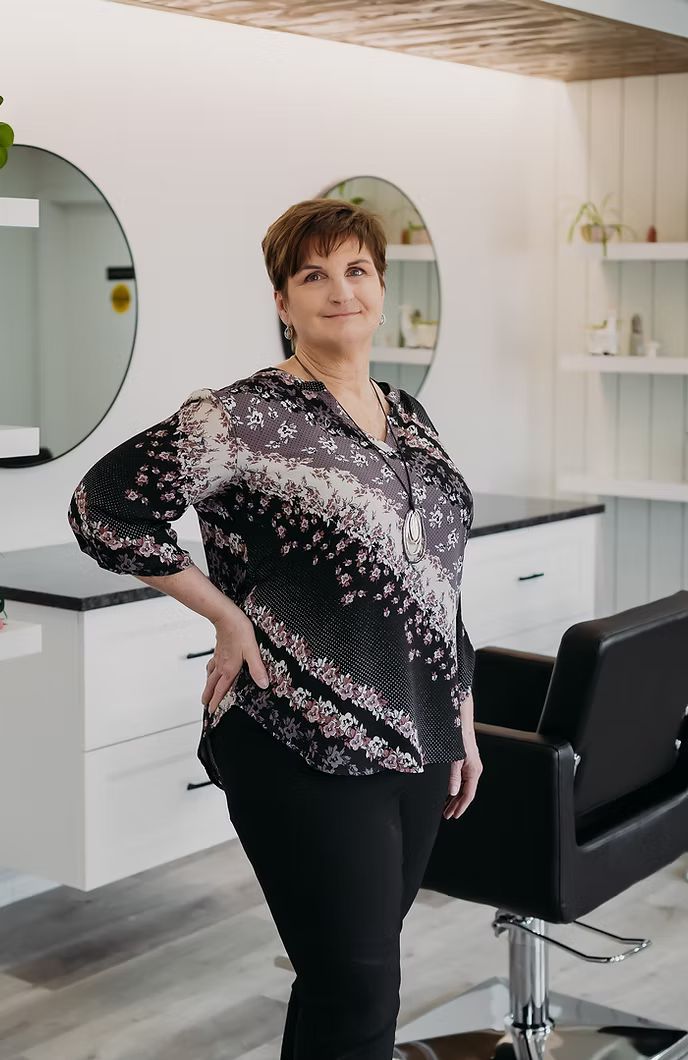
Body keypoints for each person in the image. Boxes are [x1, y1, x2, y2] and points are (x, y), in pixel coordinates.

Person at [67, 196, 483, 1059]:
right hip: (295, 734)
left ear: (381, 286)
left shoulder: (409, 417)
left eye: (357, 270)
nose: (341, 290)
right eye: (313, 274)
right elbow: (103, 509)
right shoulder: (241, 418)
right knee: (355, 983)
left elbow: (436, 579)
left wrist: (462, 717)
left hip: (416, 736)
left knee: (352, 978)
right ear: (283, 302)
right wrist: (222, 612)